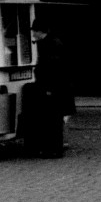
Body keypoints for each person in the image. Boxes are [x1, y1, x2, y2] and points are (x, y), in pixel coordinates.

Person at [28, 20, 74, 157]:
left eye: (34, 31)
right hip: (55, 87)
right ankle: (53, 148)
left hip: (52, 88)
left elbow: (52, 69)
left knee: (52, 119)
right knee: (53, 119)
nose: (33, 33)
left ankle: (53, 149)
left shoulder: (50, 45)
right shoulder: (53, 42)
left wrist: (48, 87)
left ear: (39, 31)